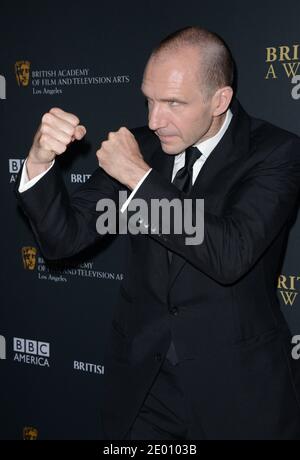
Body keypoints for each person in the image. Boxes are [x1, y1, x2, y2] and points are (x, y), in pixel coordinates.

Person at [16, 26, 300, 440]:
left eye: (172, 103)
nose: (153, 119)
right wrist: (39, 160)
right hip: (144, 390)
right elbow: (64, 238)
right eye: (149, 99)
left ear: (220, 100)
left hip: (238, 391)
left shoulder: (276, 152)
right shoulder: (142, 145)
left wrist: (139, 178)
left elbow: (231, 253)